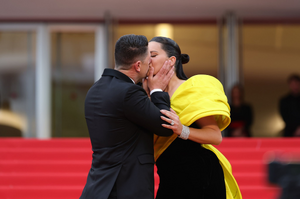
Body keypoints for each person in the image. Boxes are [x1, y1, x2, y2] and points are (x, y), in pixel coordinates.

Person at [80, 34, 179, 199]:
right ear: (138, 65)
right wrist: (156, 91)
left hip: (98, 186)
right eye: (149, 60)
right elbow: (165, 126)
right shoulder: (129, 92)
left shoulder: (95, 89)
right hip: (126, 187)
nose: (151, 66)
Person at [147, 37, 242, 199]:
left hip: (200, 174)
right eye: (145, 56)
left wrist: (182, 130)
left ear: (171, 60)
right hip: (168, 174)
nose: (147, 60)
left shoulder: (193, 87)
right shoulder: (146, 94)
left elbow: (215, 135)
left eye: (153, 55)